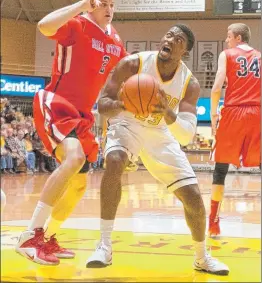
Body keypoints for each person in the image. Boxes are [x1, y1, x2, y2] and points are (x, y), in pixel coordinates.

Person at [86, 24, 229, 275]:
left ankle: (201, 257)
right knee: (115, 161)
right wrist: (125, 103)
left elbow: (185, 135)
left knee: (194, 198)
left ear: (184, 50)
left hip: (160, 132)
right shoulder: (133, 65)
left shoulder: (189, 84)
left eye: (179, 39)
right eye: (169, 35)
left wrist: (169, 114)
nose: (171, 40)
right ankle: (104, 246)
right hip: (127, 123)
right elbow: (103, 105)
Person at [16, 0, 127, 265]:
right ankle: (30, 236)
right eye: (102, 3)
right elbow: (43, 26)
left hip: (83, 115)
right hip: (57, 102)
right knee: (74, 157)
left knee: (79, 185)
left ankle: (49, 237)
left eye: (111, 4)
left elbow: (128, 69)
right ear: (91, 4)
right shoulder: (76, 25)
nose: (108, 9)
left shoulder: (114, 39)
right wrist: (80, 6)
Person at [208, 23, 261, 236]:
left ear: (238, 38)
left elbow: (216, 87)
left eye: (229, 36)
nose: (226, 40)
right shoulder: (260, 56)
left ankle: (213, 223)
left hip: (233, 111)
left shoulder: (226, 54)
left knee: (220, 169)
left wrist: (213, 115)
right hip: (257, 112)